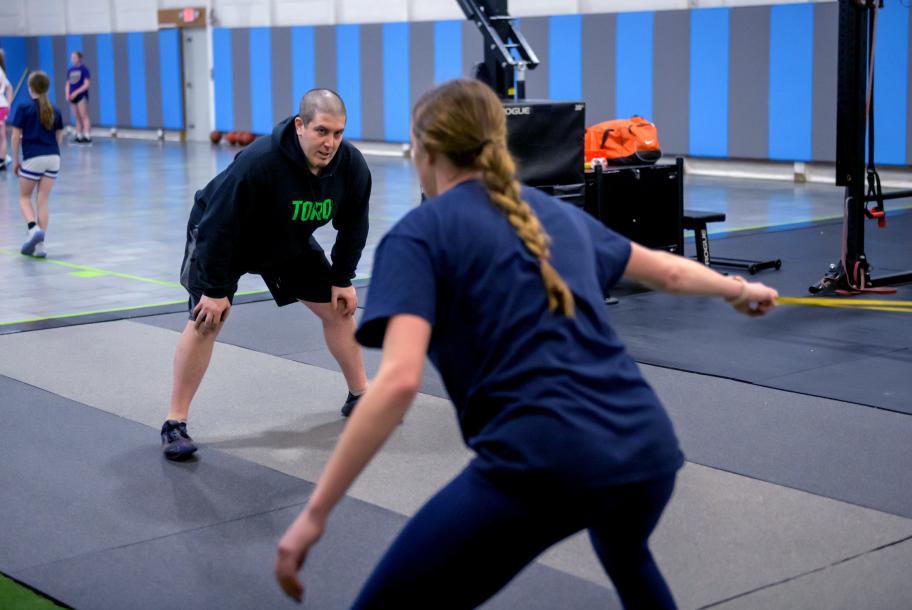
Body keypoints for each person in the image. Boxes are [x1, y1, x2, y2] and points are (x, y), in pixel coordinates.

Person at [274, 79, 779, 608]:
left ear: (423, 150)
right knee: (626, 556)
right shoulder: (553, 213)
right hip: (645, 448)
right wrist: (739, 290)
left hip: (542, 462)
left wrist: (314, 514)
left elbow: (398, 383)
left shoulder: (418, 236)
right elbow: (669, 274)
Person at [160, 88, 372, 461]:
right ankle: (174, 423)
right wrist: (213, 289)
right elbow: (218, 226)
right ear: (300, 126)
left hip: (285, 239)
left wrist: (342, 277)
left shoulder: (351, 167)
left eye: (338, 133)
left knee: (340, 307)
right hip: (228, 237)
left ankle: (361, 395)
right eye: (322, 131)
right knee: (207, 320)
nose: (330, 143)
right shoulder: (261, 162)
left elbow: (354, 226)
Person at [11, 71, 63, 258]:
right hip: (54, 157)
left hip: (33, 157)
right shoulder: (54, 109)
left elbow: (15, 135)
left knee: (24, 197)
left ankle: (33, 230)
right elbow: (59, 136)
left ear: (30, 87)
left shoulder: (24, 107)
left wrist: (16, 160)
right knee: (43, 199)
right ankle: (40, 245)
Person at [65, 51, 91, 144]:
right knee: (76, 116)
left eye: (74, 57)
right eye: (72, 57)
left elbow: (86, 85)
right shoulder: (70, 70)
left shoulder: (84, 69)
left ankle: (87, 136)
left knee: (84, 115)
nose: (72, 59)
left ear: (79, 58)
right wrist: (67, 94)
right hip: (72, 97)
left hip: (81, 96)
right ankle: (79, 135)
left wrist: (76, 92)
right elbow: (68, 83)